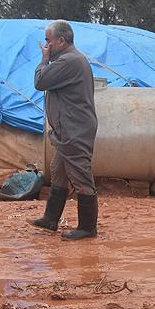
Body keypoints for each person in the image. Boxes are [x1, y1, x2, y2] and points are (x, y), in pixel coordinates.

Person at [28, 20, 98, 240]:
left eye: (48, 40)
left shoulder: (69, 61)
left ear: (61, 40)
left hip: (74, 129)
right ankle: (50, 219)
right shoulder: (70, 60)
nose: (46, 44)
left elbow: (40, 82)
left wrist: (44, 60)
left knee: (80, 175)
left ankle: (88, 227)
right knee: (58, 170)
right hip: (67, 129)